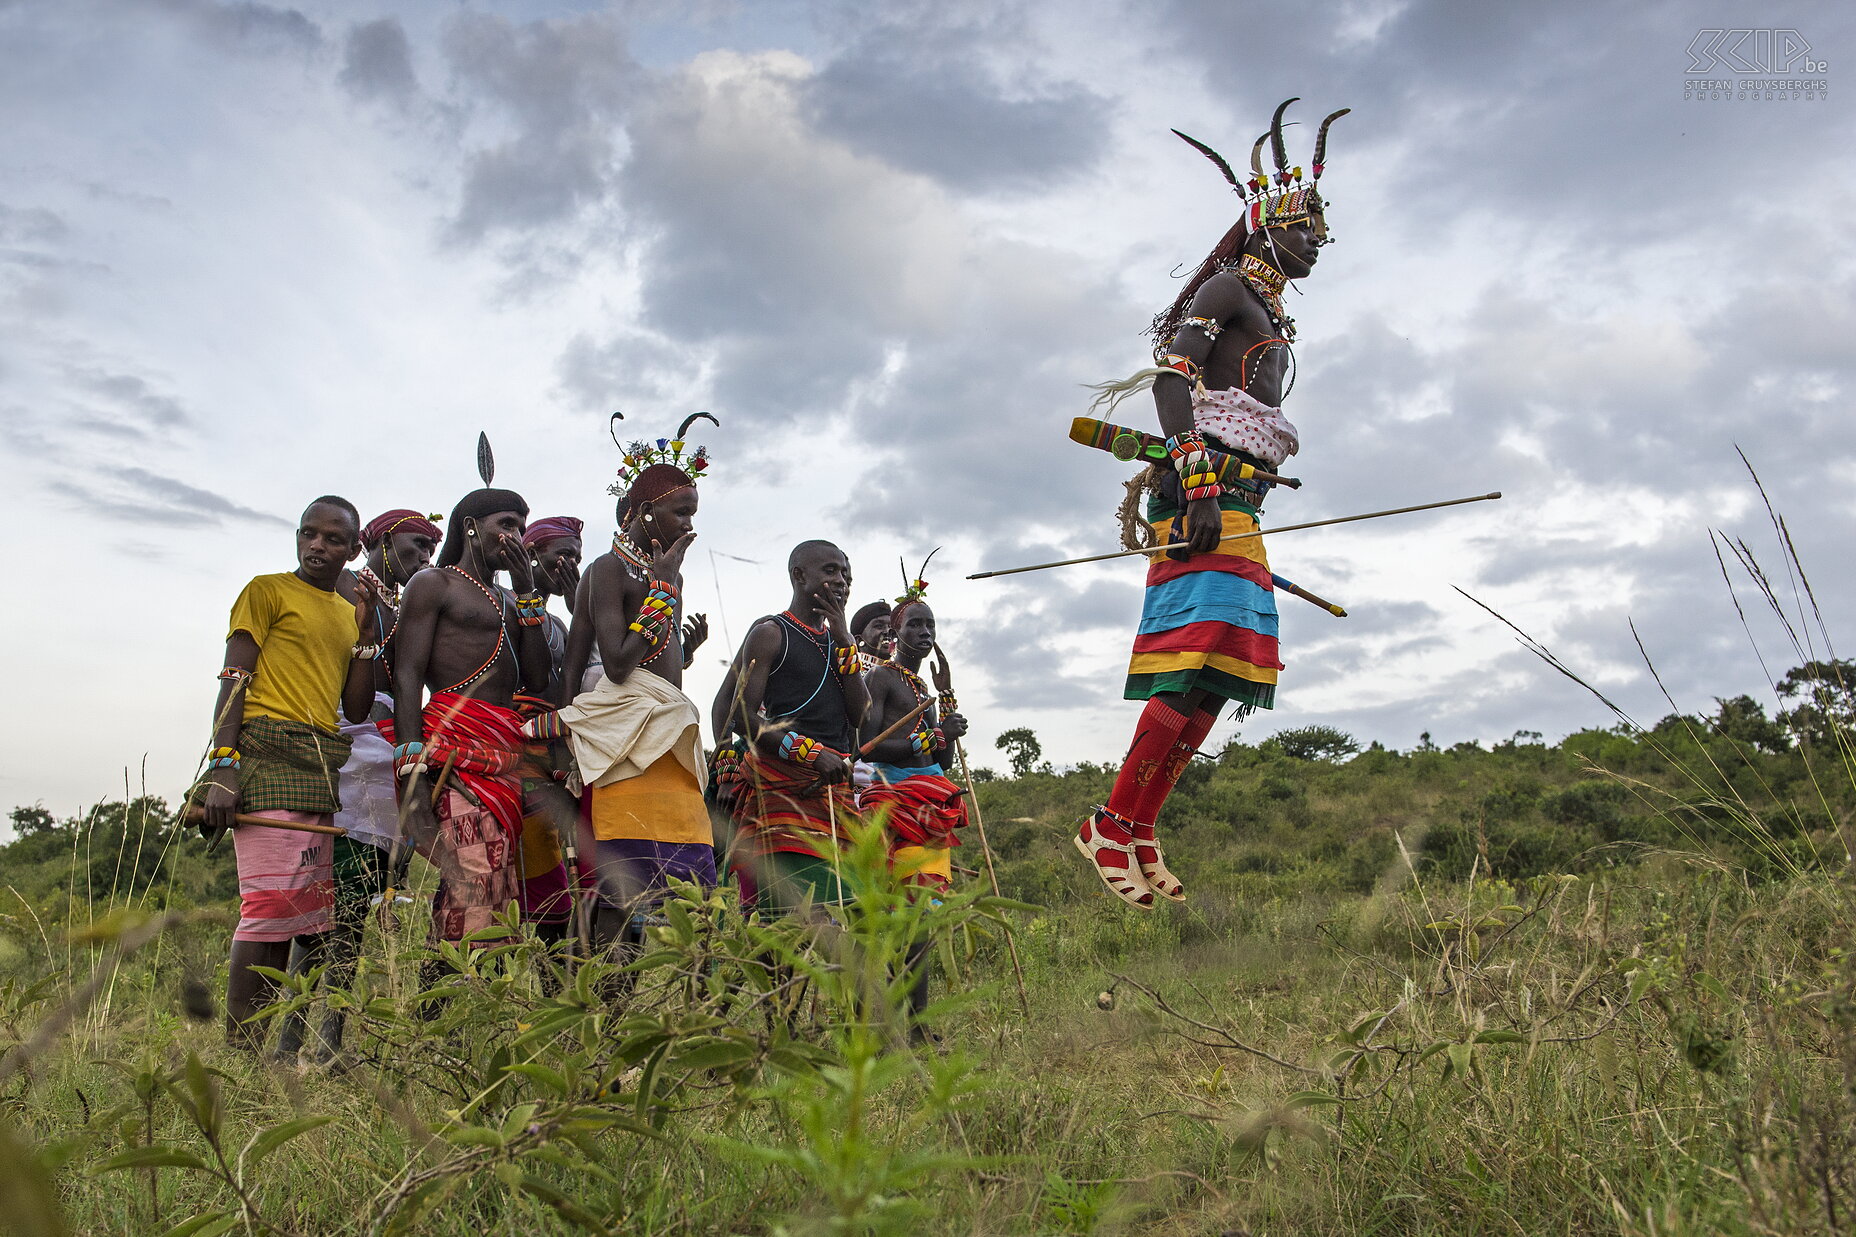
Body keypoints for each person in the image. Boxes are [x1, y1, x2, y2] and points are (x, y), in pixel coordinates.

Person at [1080, 101, 1348, 908]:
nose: (1314, 241)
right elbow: (1172, 375)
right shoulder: (1229, 288)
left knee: (1221, 669)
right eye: (1302, 226)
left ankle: (1141, 824)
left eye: (1319, 232)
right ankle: (1109, 820)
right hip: (1201, 499)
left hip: (1239, 502)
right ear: (1263, 222)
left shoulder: (1269, 313)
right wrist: (1196, 479)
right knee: (1192, 657)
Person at [190, 496, 383, 1051]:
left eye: (332, 539)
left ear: (352, 550)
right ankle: (239, 1055)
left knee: (299, 916)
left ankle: (257, 1055)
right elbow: (234, 678)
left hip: (318, 766)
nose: (317, 546)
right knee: (266, 914)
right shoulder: (265, 590)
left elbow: (357, 707)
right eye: (308, 534)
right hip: (264, 753)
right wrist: (223, 768)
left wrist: (367, 632)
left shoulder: (349, 614)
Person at [277, 506, 438, 1062]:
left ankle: (328, 1045)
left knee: (353, 909)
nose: (423, 557)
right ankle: (287, 1043)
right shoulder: (346, 586)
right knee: (316, 910)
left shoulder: (400, 601)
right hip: (341, 752)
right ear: (376, 541)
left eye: (429, 550)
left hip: (382, 766)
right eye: (414, 545)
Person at [545, 435, 715, 954]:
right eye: (680, 513)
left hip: (670, 744)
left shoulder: (665, 573)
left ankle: (689, 1019)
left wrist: (671, 607)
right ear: (645, 511)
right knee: (619, 896)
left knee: (694, 891)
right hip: (621, 748)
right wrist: (662, 590)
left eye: (693, 513)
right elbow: (616, 664)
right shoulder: (606, 570)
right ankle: (609, 1018)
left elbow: (659, 668)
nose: (690, 525)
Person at [382, 486, 551, 945]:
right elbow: (407, 673)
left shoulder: (514, 601)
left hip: (502, 752)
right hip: (451, 746)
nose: (516, 536)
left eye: (521, 526)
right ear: (471, 528)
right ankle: (446, 992)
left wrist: (528, 593)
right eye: (506, 524)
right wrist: (411, 765)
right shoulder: (434, 584)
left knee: (494, 880)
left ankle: (463, 998)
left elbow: (535, 680)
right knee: (475, 872)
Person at [713, 540, 870, 915]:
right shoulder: (771, 633)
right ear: (799, 575)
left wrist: (845, 640)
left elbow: (861, 716)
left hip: (833, 794)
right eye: (831, 570)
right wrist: (811, 754)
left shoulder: (840, 643)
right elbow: (742, 718)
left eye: (846, 574)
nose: (842, 581)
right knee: (789, 920)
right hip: (785, 789)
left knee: (845, 914)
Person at [858, 582, 971, 1032]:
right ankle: (886, 1023)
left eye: (931, 625)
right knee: (895, 916)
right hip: (894, 803)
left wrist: (947, 720)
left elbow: (938, 759)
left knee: (923, 915)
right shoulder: (880, 677)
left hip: (932, 802)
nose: (926, 633)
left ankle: (917, 1024)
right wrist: (931, 736)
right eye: (916, 624)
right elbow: (867, 747)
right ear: (896, 633)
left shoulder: (920, 684)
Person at [511, 515, 585, 945]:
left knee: (555, 901)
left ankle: (554, 1000)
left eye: (576, 556)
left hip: (556, 755)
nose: (570, 565)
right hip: (518, 755)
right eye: (562, 554)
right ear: (532, 554)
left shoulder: (559, 624)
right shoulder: (504, 605)